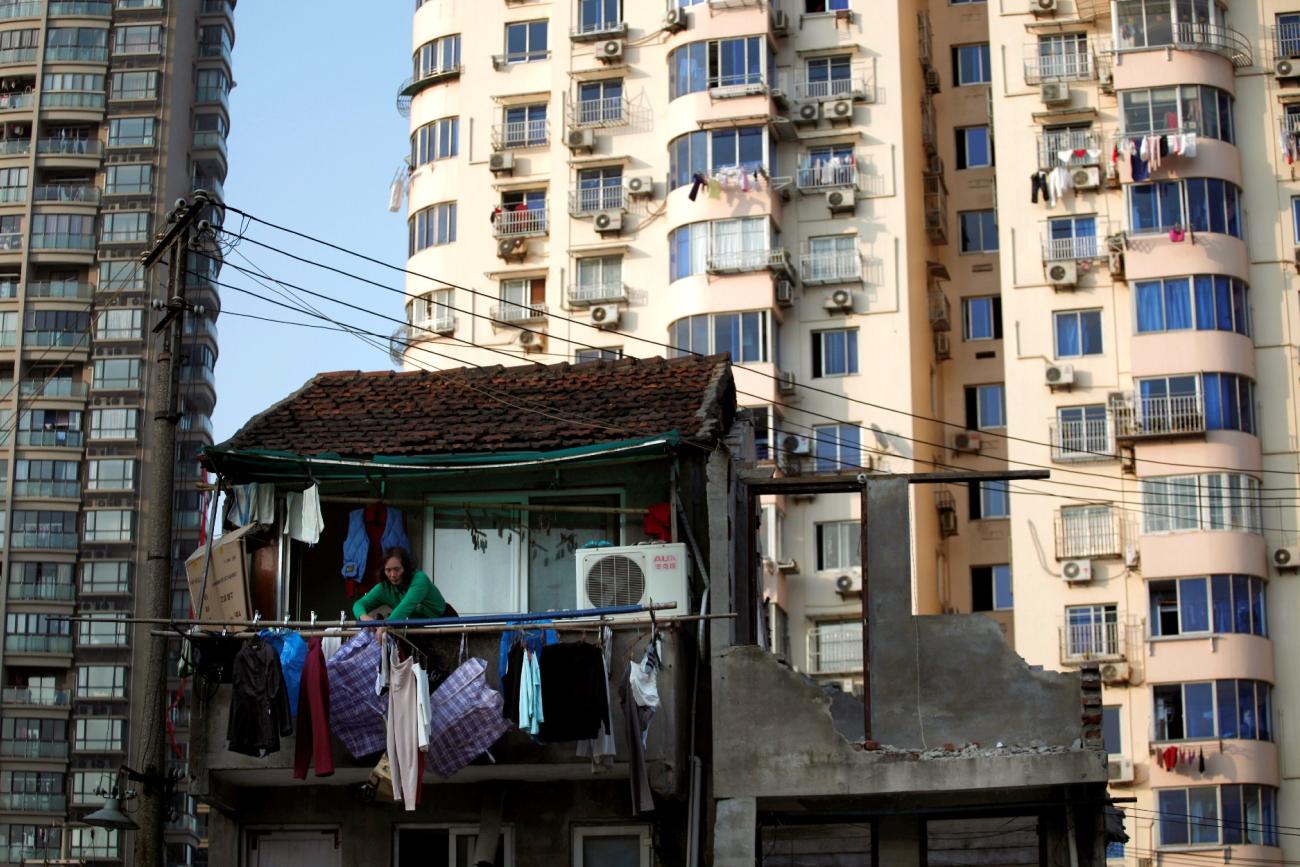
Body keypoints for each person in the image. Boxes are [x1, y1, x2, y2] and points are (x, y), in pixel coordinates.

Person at [353, 547, 452, 643]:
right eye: (388, 570)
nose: (393, 575)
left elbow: (405, 607)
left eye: (397, 569)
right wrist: (364, 618)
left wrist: (385, 625)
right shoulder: (384, 588)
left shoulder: (419, 579)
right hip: (416, 629)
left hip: (444, 622)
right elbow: (359, 604)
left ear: (406, 568)